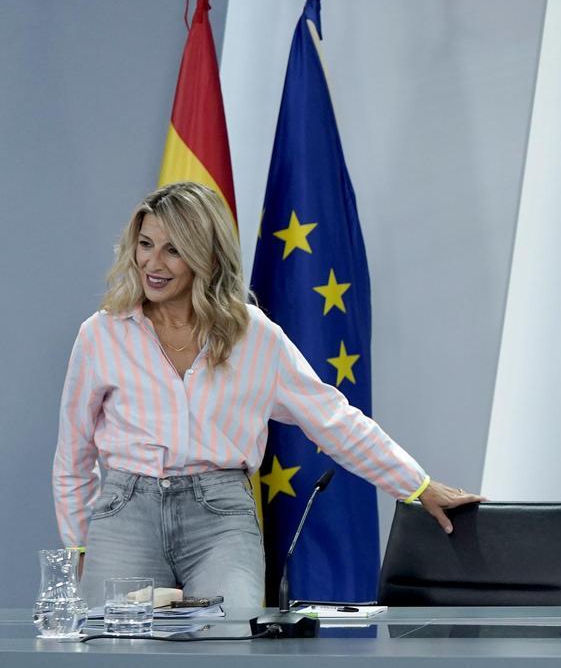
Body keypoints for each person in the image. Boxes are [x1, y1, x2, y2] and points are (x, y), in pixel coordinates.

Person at [53, 182, 484, 608]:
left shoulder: (254, 336)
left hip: (219, 518)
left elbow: (334, 420)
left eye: (174, 249)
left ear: (207, 255)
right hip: (126, 515)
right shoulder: (101, 335)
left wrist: (418, 486)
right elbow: (73, 456)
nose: (153, 262)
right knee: (119, 651)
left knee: (230, 643)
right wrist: (79, 547)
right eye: (145, 244)